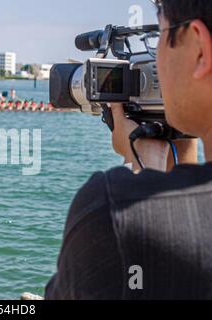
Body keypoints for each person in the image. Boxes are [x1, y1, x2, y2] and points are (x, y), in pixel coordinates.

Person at [46, 0, 212, 299]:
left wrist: (140, 163)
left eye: (158, 37)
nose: (155, 57)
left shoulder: (115, 209)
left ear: (200, 48)